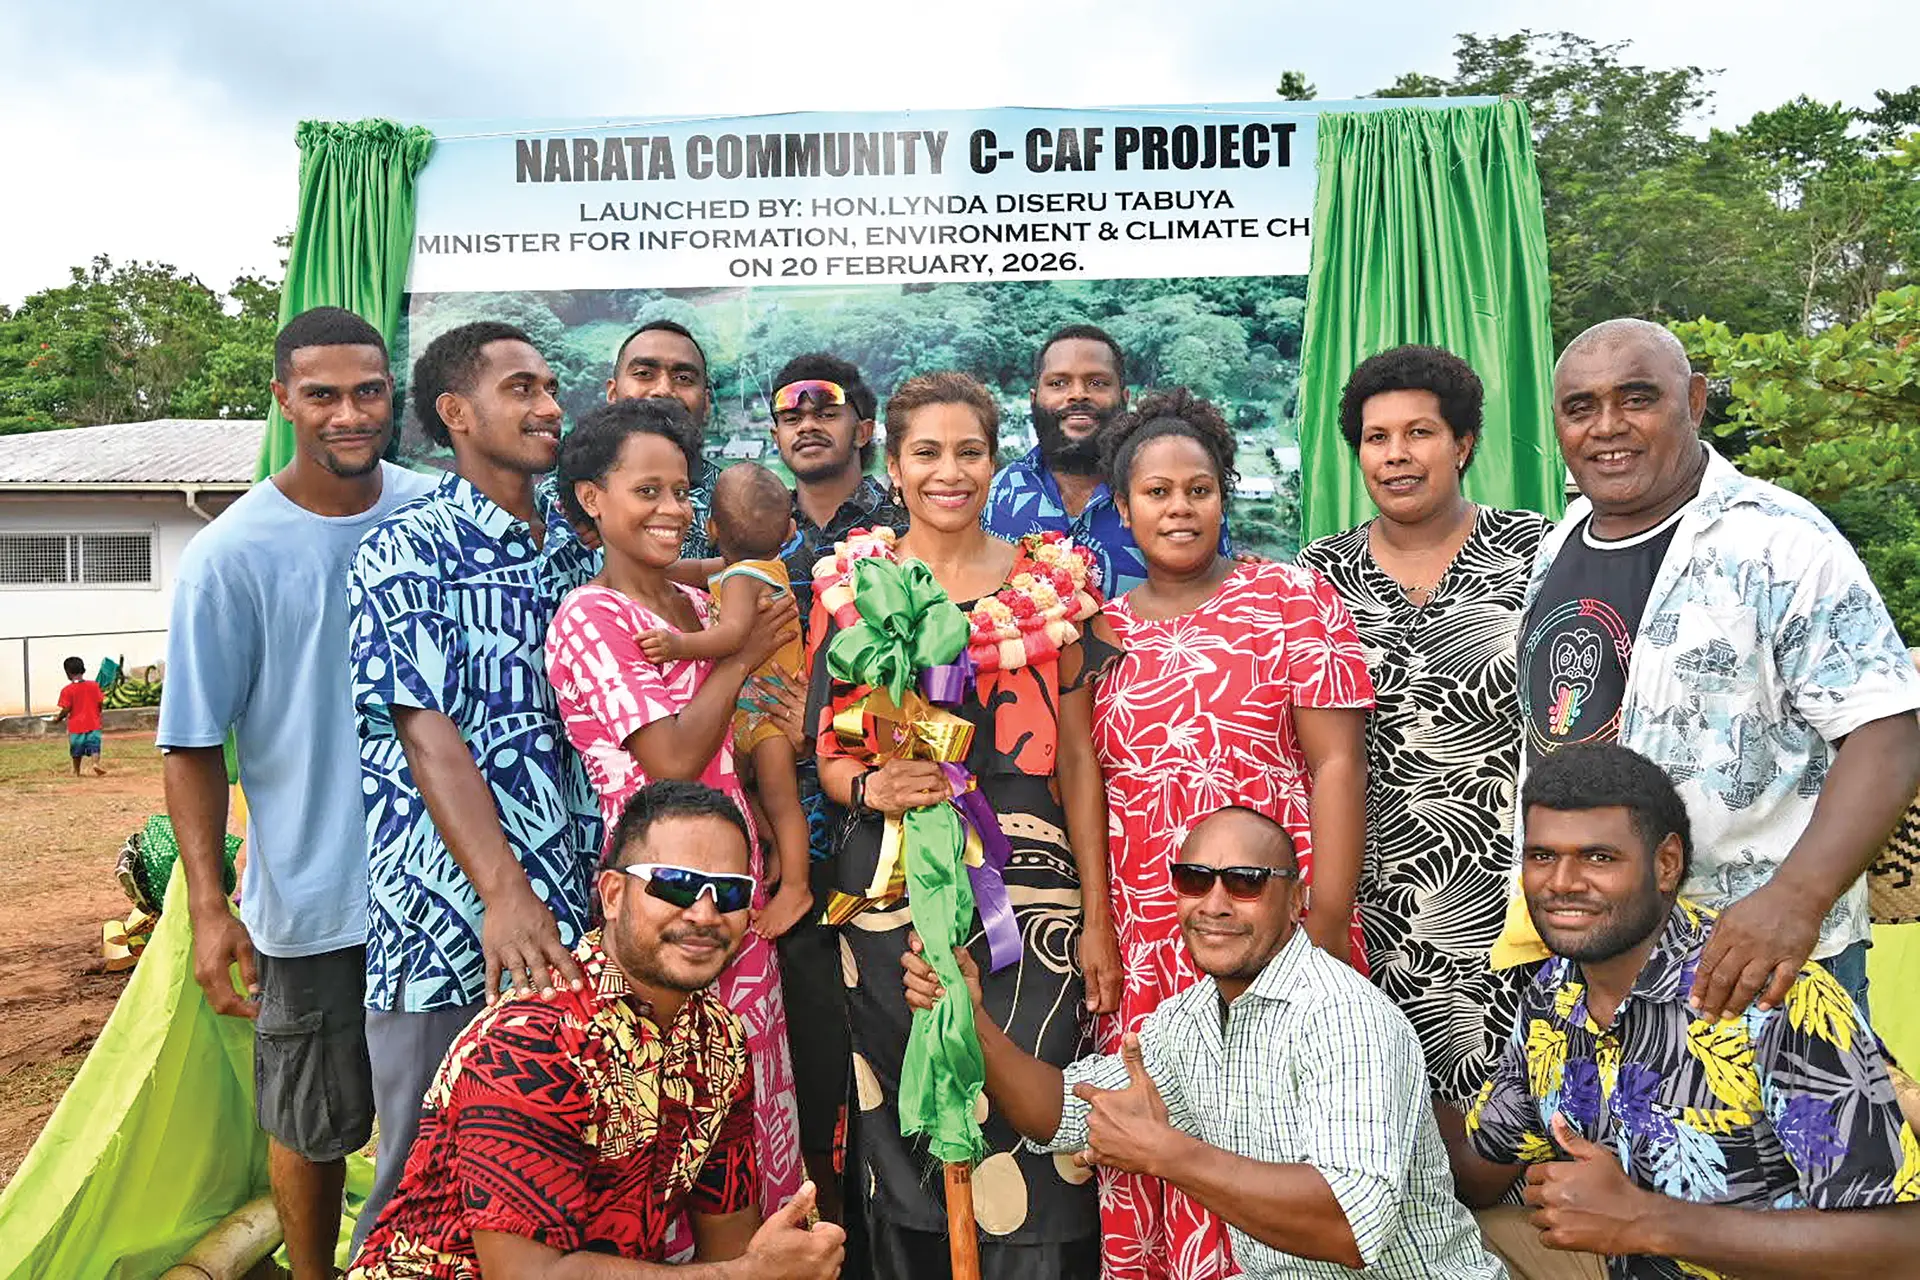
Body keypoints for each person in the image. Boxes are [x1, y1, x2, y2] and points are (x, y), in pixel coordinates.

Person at [904, 806, 1505, 1279]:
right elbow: (1061, 1114)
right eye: (1194, 879)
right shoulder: (1187, 1021)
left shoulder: (1345, 1018)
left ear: (1296, 900)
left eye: (1245, 882)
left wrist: (1167, 1155)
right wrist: (972, 1020)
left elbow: (1347, 1227)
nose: (1214, 904)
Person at [1517, 318, 1920, 1020]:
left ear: (1695, 400)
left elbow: (1887, 733)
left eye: (1637, 398)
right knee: (1605, 1136)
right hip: (1600, 963)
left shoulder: (1780, 541)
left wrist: (1799, 897)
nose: (1606, 426)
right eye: (1580, 408)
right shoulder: (1558, 547)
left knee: (1788, 1136)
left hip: (1754, 964)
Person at [812, 371, 1113, 1279]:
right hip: (890, 889)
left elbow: (1076, 763)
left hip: (1030, 900)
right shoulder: (854, 590)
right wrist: (872, 792)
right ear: (894, 466)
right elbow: (829, 757)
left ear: (995, 459)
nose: (950, 472)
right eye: (927, 453)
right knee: (903, 1121)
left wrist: (1097, 918)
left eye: (969, 451)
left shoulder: (1051, 591)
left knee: (1034, 1112)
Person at [158, 306, 434, 1280]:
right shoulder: (232, 555)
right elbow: (190, 742)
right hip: (314, 905)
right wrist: (205, 902)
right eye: (323, 393)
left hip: (445, 897)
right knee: (312, 1120)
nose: (349, 413)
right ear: (283, 398)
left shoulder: (440, 514)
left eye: (368, 390)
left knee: (454, 1114)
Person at [1086, 388, 1373, 1279]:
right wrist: (1099, 923)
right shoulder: (1097, 631)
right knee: (1161, 1138)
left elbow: (1336, 765)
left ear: (1225, 493)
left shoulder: (1293, 598)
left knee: (1284, 1143)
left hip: (1272, 926)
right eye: (1157, 492)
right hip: (1151, 938)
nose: (1179, 507)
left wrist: (1323, 925)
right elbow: (1089, 785)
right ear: (1123, 507)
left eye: (1199, 488)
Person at [1452, 743, 1920, 1280]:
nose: (1561, 883)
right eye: (1542, 857)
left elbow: (1903, 1246)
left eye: (1598, 858)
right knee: (1437, 1246)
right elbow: (1481, 1167)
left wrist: (1643, 1222)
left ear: (1666, 864)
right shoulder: (1553, 993)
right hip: (1618, 1266)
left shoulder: (1767, 998)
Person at [346, 779, 846, 1280]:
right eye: (675, 882)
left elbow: (729, 1242)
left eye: (731, 891)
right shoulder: (531, 1042)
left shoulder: (718, 1038)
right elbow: (528, 1277)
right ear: (611, 894)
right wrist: (751, 1276)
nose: (704, 913)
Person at [348, 320, 604, 1249]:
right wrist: (505, 896)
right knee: (423, 1181)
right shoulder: (407, 550)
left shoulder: (578, 550)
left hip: (576, 918)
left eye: (549, 387)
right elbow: (428, 735)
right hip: (453, 926)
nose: (547, 407)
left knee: (551, 1180)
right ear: (456, 413)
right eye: (521, 390)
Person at [545, 397, 806, 1222]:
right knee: (679, 1122)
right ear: (593, 499)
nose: (671, 509)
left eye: (682, 492)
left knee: (752, 1099)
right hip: (664, 909)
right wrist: (749, 653)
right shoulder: (590, 617)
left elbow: (718, 590)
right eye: (647, 491)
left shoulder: (688, 612)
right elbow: (669, 760)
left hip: (735, 901)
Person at [1296, 345, 1550, 1108]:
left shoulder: (1540, 551)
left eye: (1420, 433)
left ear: (1463, 443)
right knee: (1381, 1111)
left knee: (1518, 1124)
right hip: (1368, 906)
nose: (1396, 455)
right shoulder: (1317, 574)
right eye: (1377, 438)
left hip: (1511, 896)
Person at [763, 352, 907, 1226]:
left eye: (827, 408)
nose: (808, 422)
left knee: (895, 1056)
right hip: (788, 860)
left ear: (864, 427)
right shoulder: (746, 549)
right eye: (790, 413)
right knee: (813, 1069)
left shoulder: (904, 537)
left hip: (889, 841)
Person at [638, 461, 814, 942]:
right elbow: (689, 571)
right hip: (754, 711)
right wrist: (645, 564)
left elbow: (735, 634)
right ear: (790, 530)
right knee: (757, 798)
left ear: (712, 528)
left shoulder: (741, 579)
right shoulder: (746, 570)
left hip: (768, 712)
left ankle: (797, 887)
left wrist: (679, 646)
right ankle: (777, 852)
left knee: (781, 801)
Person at [982, 324, 1230, 600]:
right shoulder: (997, 495)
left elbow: (1220, 595)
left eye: (1097, 382)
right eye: (1058, 383)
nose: (1077, 394)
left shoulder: (1171, 496)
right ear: (1034, 399)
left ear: (1125, 398)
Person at [607, 319, 722, 560]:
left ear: (706, 403)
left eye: (683, 378)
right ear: (612, 393)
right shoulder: (559, 502)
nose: (663, 389)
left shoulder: (733, 498)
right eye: (644, 374)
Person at [53, 656, 106, 776]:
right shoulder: (94, 685)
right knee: (95, 746)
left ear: (67, 673)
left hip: (76, 725)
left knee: (76, 750)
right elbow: (100, 702)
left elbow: (66, 708)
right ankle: (95, 764)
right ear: (83, 670)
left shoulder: (67, 690)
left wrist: (58, 718)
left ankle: (76, 771)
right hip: (93, 722)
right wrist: (97, 713)